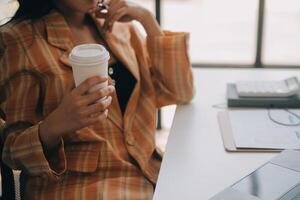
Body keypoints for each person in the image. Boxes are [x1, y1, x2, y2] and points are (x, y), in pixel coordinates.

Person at [0, 0, 194, 199]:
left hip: (149, 176)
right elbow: (12, 152)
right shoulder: (18, 39)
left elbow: (179, 92)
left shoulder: (118, 24)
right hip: (79, 188)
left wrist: (147, 19)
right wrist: (55, 125)